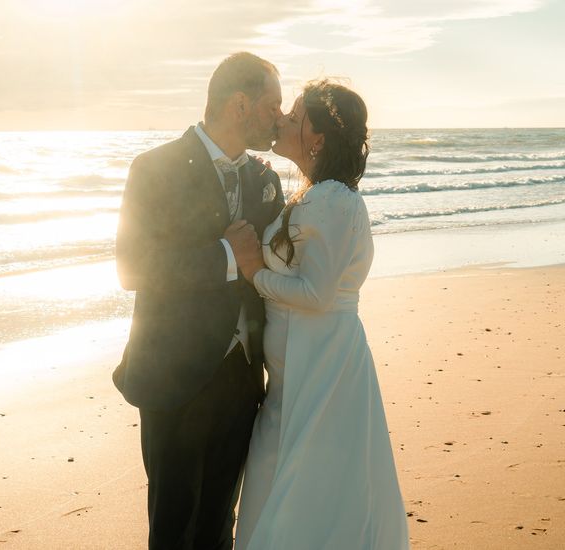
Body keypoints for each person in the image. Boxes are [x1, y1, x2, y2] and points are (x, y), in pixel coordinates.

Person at [112, 52, 285, 550]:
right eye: (272, 105)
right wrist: (226, 255)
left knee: (219, 528)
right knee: (173, 529)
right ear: (239, 105)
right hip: (174, 377)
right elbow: (132, 267)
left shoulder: (264, 179)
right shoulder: (155, 168)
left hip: (242, 380)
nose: (279, 114)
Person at [233, 80, 410, 550]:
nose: (284, 120)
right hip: (304, 367)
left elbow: (317, 293)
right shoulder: (317, 194)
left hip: (322, 366)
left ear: (319, 138)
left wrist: (253, 273)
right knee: (291, 487)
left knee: (311, 496)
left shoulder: (332, 198)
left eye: (296, 115)